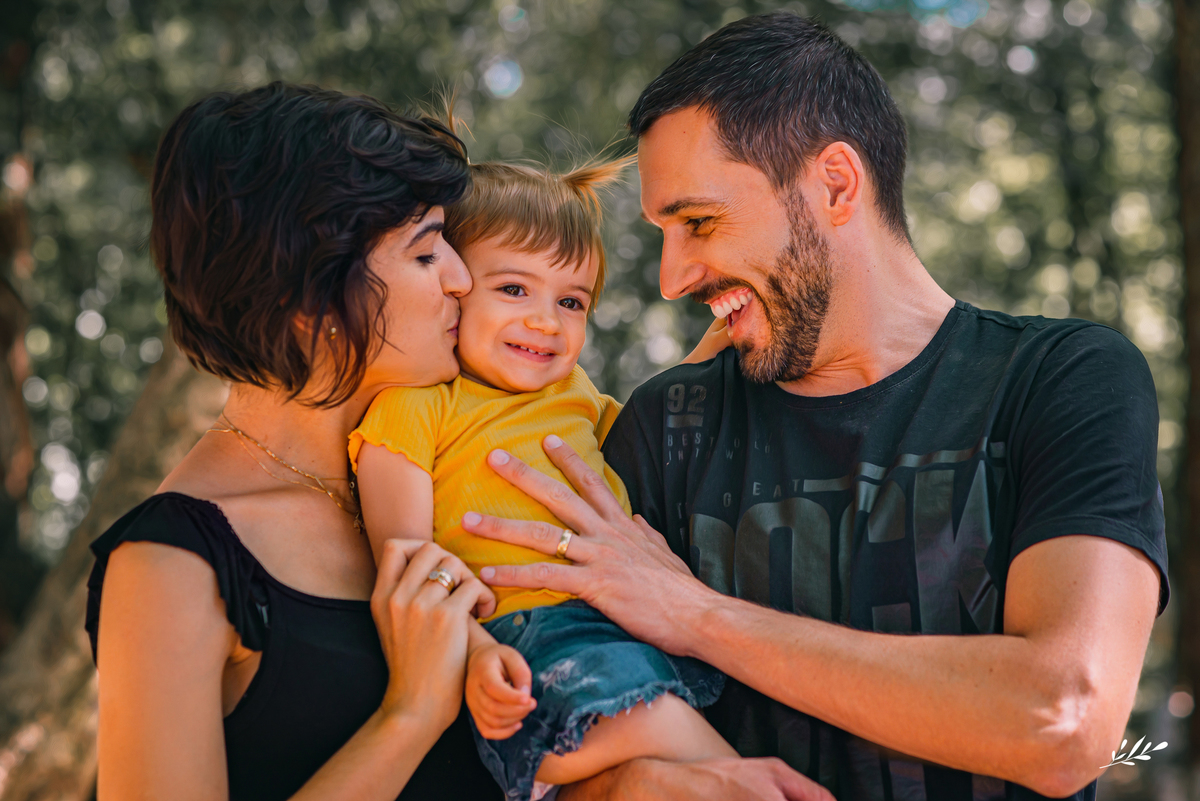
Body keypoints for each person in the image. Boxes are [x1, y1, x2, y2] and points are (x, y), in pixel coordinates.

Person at [460, 13, 1169, 801]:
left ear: (834, 182)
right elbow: (551, 742)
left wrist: (698, 616)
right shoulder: (665, 429)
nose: (671, 277)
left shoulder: (1062, 379)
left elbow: (1063, 721)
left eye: (697, 222)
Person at [84, 82, 507, 800]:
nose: (466, 280)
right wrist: (410, 713)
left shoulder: (451, 451)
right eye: (428, 255)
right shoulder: (171, 565)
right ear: (311, 301)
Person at [350, 157, 732, 801]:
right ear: (453, 288)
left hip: (619, 629)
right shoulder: (417, 407)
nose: (547, 322)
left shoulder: (575, 391)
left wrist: (710, 350)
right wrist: (472, 656)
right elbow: (407, 569)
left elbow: (649, 422)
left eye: (572, 301)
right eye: (514, 290)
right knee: (731, 773)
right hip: (528, 646)